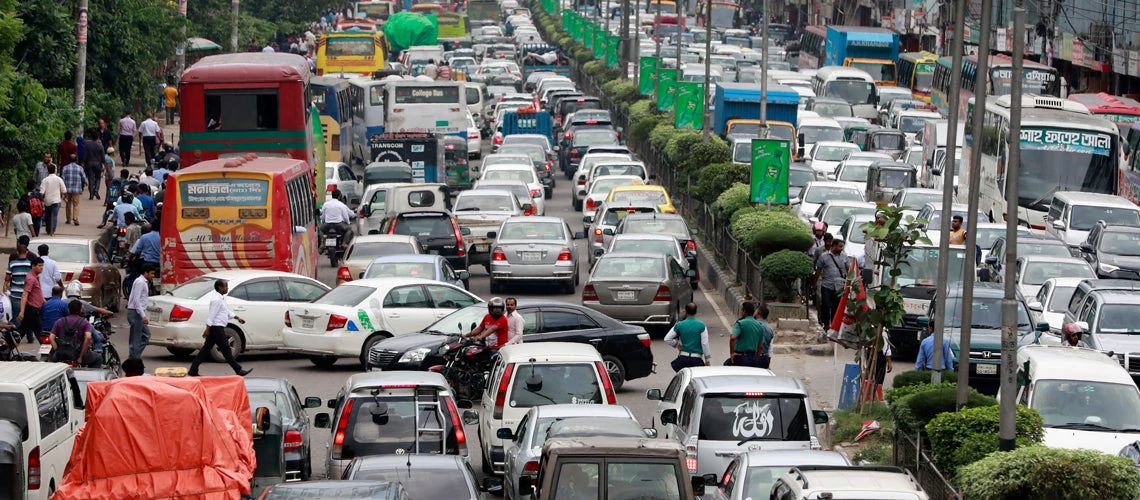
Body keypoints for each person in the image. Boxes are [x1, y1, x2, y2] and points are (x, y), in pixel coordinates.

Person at [188, 280, 252, 376]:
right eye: (225, 286)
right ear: (219, 287)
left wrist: (237, 317)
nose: (227, 288)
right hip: (216, 328)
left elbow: (226, 311)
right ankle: (238, 370)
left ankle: (193, 370)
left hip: (217, 328)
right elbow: (211, 315)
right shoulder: (216, 300)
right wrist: (207, 328)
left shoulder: (221, 298)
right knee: (226, 350)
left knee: (206, 350)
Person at [49, 300, 98, 367]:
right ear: (80, 310)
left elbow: (51, 338)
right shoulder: (84, 322)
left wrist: (57, 351)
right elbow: (88, 337)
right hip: (77, 356)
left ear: (68, 309)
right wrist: (81, 356)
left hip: (61, 356)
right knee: (98, 358)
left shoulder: (59, 321)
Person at [664, 302, 711, 371]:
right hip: (696, 359)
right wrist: (707, 360)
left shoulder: (679, 325)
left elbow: (667, 338)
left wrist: (677, 345)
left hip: (683, 359)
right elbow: (704, 344)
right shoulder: (702, 325)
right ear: (696, 312)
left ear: (685, 312)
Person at [814, 237, 849, 329]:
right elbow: (818, 270)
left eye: (842, 247)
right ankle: (826, 323)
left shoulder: (844, 257)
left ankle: (833, 324)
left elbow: (849, 270)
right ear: (833, 246)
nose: (841, 249)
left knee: (836, 307)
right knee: (825, 305)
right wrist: (814, 283)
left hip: (839, 287)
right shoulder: (823, 256)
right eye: (840, 246)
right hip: (826, 285)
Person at [127, 263, 156, 358]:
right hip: (135, 312)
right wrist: (143, 315)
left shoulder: (143, 282)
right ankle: (134, 358)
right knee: (136, 339)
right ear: (145, 273)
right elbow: (136, 301)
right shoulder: (140, 282)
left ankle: (134, 356)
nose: (153, 276)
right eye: (151, 273)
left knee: (146, 335)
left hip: (138, 312)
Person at [727, 302, 765, 368]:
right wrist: (757, 358)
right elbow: (760, 346)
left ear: (744, 311)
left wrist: (732, 353)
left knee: (726, 365)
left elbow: (733, 338)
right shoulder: (760, 326)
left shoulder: (740, 323)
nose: (741, 312)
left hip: (740, 357)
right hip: (753, 358)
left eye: (742, 310)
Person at [16, 256, 44, 344]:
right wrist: (22, 312)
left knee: (21, 331)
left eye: (42, 265)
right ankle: (48, 352)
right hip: (32, 310)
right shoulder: (31, 278)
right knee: (40, 333)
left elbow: (37, 293)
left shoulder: (35, 277)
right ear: (33, 266)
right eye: (39, 265)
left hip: (33, 310)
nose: (41, 267)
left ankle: (8, 347)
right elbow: (25, 295)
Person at [38, 164, 66, 236]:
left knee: (48, 215)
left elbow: (41, 192)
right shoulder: (59, 179)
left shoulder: (45, 180)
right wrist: (64, 197)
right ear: (55, 170)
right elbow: (64, 190)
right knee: (54, 216)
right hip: (56, 200)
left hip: (47, 200)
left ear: (48, 170)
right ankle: (52, 230)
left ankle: (48, 229)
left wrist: (41, 201)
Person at [61, 154, 86, 225]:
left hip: (67, 189)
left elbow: (63, 178)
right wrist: (85, 183)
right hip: (76, 189)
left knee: (68, 204)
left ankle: (68, 219)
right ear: (76, 160)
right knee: (76, 204)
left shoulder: (65, 168)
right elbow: (83, 177)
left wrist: (62, 189)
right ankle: (75, 218)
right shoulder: (79, 168)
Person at [82, 130, 105, 201]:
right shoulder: (100, 146)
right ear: (97, 138)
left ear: (91, 137)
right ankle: (96, 190)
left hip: (89, 164)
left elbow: (85, 156)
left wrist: (84, 163)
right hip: (98, 164)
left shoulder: (87, 146)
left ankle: (91, 194)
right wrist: (103, 164)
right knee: (98, 178)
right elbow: (103, 157)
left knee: (90, 178)